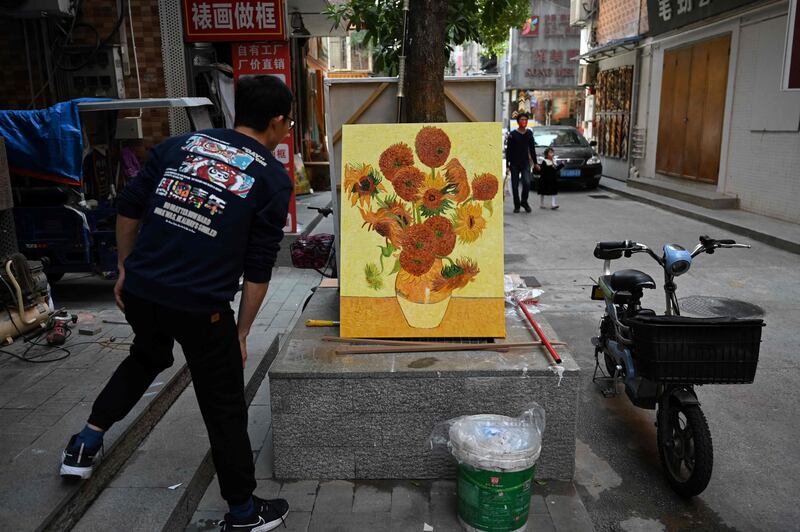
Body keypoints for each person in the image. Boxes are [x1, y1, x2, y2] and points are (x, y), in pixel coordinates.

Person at [59, 75, 295, 532]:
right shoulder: (269, 177)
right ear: (276, 121)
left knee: (146, 357)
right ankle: (244, 514)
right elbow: (259, 269)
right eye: (287, 122)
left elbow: (128, 206)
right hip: (201, 307)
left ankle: (85, 442)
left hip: (144, 291)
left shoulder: (180, 145)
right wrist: (241, 333)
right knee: (223, 403)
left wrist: (126, 268)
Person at [505, 113, 539, 213]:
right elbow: (509, 151)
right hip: (514, 164)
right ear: (518, 122)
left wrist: (535, 162)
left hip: (525, 163)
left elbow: (532, 149)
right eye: (522, 119)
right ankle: (517, 205)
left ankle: (524, 201)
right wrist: (507, 165)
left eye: (525, 119)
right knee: (515, 186)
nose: (524, 121)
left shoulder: (529, 133)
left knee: (527, 183)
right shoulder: (512, 134)